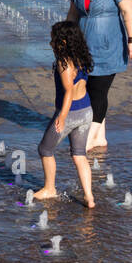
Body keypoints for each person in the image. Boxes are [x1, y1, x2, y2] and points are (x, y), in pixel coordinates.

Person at [67, 0, 132, 151]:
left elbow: (128, 12)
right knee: (88, 90)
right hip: (83, 47)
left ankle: (89, 137)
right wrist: (65, 39)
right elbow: (73, 14)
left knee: (98, 91)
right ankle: (100, 137)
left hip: (109, 47)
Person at [32, 21, 95, 206]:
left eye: (54, 39)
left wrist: (62, 117)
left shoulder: (64, 62)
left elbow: (68, 91)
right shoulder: (81, 57)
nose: (51, 43)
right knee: (79, 154)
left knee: (45, 149)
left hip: (71, 113)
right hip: (86, 110)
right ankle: (89, 197)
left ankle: (49, 189)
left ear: (64, 41)